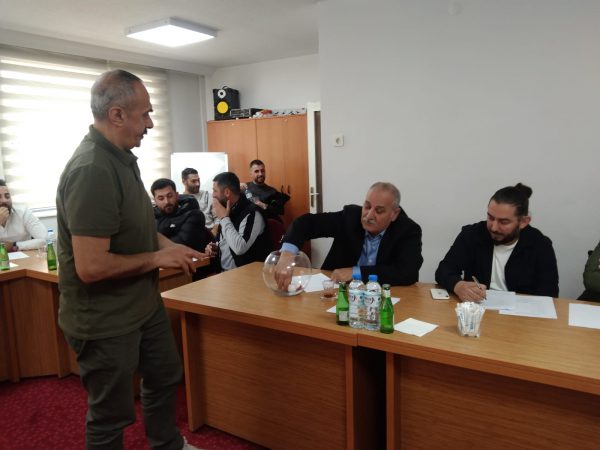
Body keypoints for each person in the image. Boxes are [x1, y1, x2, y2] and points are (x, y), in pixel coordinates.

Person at [56, 69, 202, 450]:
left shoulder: (121, 157)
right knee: (111, 414)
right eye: (145, 114)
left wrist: (169, 247)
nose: (150, 123)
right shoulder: (92, 169)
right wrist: (157, 258)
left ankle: (167, 444)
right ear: (117, 115)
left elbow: (136, 226)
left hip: (141, 304)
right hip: (104, 319)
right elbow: (91, 267)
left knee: (165, 374)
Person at [275, 182, 423, 288]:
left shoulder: (408, 230)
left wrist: (356, 273)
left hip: (382, 297)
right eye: (367, 206)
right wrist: (287, 253)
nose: (369, 216)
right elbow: (305, 223)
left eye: (379, 211)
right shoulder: (350, 217)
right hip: (337, 292)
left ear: (394, 214)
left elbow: (407, 272)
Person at [435, 183, 559, 301]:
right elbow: (444, 270)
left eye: (503, 222)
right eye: (490, 218)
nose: (494, 227)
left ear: (523, 222)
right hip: (478, 308)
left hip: (520, 313)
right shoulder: (472, 234)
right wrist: (458, 285)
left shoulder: (540, 245)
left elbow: (549, 294)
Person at [205, 171, 271, 271]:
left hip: (247, 275)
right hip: (224, 274)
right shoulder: (227, 209)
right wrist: (216, 247)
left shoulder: (252, 213)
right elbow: (228, 240)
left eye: (215, 191)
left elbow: (239, 248)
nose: (213, 195)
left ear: (227, 192)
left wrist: (224, 218)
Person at [151, 178, 211, 252]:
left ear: (177, 195)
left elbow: (182, 244)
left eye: (170, 196)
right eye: (161, 198)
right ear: (155, 200)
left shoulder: (193, 214)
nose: (166, 202)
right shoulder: (152, 217)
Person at [0, 179, 47, 251]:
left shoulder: (23, 212)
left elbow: (45, 239)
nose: (4, 200)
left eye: (7, 196)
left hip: (25, 256)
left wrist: (14, 245)